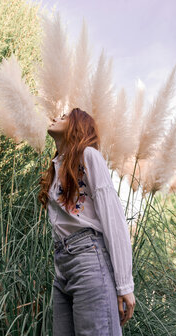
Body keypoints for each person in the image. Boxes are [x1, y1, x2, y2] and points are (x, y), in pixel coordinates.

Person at [38, 108, 135, 336]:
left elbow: (113, 217)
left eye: (64, 117)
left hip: (89, 260)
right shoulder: (56, 167)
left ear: (77, 126)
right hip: (63, 269)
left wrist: (124, 285)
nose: (55, 118)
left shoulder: (89, 156)